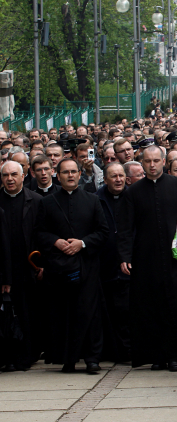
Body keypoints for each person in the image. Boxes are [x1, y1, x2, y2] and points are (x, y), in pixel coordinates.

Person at [117, 146, 177, 372]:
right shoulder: (132, 192)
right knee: (149, 307)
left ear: (163, 162)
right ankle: (156, 356)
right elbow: (125, 228)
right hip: (145, 258)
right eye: (147, 161)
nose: (152, 165)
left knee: (175, 305)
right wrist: (124, 256)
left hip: (175, 258)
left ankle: (175, 355)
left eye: (156, 161)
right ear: (142, 163)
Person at [36, 158, 109, 373]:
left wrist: (82, 243)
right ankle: (67, 358)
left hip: (87, 265)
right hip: (59, 268)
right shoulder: (46, 202)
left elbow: (103, 232)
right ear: (57, 176)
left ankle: (92, 358)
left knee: (89, 312)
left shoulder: (92, 200)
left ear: (79, 174)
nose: (70, 175)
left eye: (73, 172)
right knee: (63, 312)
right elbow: (39, 232)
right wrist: (54, 241)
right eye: (65, 172)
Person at [0, 161, 41, 371]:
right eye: (5, 175)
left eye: (14, 174)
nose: (9, 179)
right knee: (6, 315)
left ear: (23, 175)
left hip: (28, 268)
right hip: (4, 270)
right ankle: (7, 357)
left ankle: (27, 356)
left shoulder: (36, 200)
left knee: (27, 314)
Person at [96, 162, 131, 363]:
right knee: (109, 311)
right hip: (106, 265)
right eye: (113, 176)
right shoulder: (96, 199)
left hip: (129, 265)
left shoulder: (132, 196)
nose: (118, 180)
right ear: (105, 179)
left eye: (121, 176)